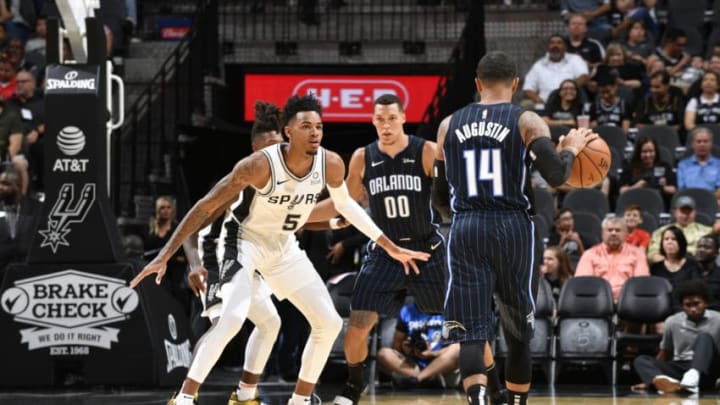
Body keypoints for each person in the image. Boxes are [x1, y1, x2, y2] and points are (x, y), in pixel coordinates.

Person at [129, 94, 429, 405]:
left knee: (325, 322)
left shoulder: (331, 163)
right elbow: (204, 208)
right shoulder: (258, 166)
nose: (315, 132)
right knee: (231, 319)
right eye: (306, 126)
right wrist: (165, 256)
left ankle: (296, 399)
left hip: (283, 246)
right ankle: (184, 398)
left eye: (319, 126)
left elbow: (344, 207)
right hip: (241, 242)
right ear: (288, 131)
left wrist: (389, 245)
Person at [311, 94, 502, 405]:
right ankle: (353, 386)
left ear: (402, 118)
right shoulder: (363, 157)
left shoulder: (424, 151)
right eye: (379, 120)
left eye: (391, 119)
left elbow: (453, 195)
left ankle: (495, 387)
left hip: (427, 252)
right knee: (358, 325)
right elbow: (343, 205)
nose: (385, 126)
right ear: (373, 121)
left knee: (467, 321)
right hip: (385, 253)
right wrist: (302, 214)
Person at [433, 51, 596, 405]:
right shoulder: (527, 120)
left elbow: (439, 198)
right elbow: (557, 175)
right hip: (513, 229)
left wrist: (464, 213)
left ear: (477, 84)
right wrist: (570, 148)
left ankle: (478, 400)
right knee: (518, 332)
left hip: (465, 228)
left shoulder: (447, 125)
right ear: (517, 84)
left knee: (472, 333)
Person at [182, 100, 285, 405]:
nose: (272, 153)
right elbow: (189, 226)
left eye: (278, 146)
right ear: (255, 147)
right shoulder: (238, 179)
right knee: (224, 323)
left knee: (270, 323)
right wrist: (195, 265)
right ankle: (187, 394)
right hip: (216, 257)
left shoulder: (281, 184)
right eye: (267, 146)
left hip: (248, 259)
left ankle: (245, 395)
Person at [632, 279, 720, 395]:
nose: (693, 309)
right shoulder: (672, 322)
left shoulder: (718, 319)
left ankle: (693, 377)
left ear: (706, 303)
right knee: (641, 360)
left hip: (708, 368)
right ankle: (662, 382)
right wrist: (650, 378)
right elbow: (665, 353)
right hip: (681, 367)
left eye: (696, 303)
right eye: (688, 305)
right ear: (682, 306)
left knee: (704, 337)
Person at [377, 301, 461, 388]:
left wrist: (433, 353)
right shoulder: (406, 311)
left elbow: (457, 344)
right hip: (413, 365)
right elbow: (396, 346)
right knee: (383, 354)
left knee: (458, 349)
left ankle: (419, 378)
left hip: (441, 364)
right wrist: (406, 349)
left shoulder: (451, 310)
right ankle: (425, 378)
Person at [575, 217, 649, 302]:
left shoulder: (638, 254)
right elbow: (583, 284)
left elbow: (640, 284)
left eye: (618, 230)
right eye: (610, 230)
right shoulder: (590, 254)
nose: (613, 233)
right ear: (602, 233)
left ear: (625, 234)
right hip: (597, 303)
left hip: (628, 303)